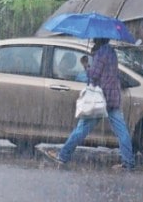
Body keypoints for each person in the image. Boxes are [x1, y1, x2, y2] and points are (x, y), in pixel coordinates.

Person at [44, 38, 135, 170]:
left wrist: (86, 64)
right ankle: (128, 162)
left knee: (82, 129)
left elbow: (94, 74)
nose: (92, 40)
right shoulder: (111, 52)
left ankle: (63, 156)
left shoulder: (101, 53)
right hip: (113, 97)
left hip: (99, 99)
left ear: (98, 39)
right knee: (122, 131)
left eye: (94, 39)